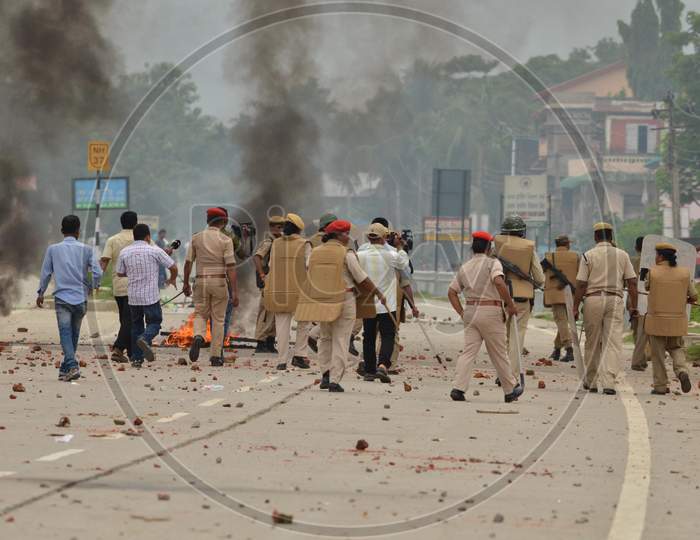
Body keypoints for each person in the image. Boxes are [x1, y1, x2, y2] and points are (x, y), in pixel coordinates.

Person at [295, 219, 386, 392]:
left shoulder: (315, 253)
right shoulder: (346, 253)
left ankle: (325, 374)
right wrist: (378, 293)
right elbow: (361, 278)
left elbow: (310, 272)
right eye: (346, 234)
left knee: (325, 338)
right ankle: (335, 380)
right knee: (341, 339)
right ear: (339, 235)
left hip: (323, 300)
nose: (348, 237)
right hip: (344, 298)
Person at [448, 231, 522, 403]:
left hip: (471, 312)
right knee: (499, 353)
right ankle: (510, 390)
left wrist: (462, 313)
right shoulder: (492, 263)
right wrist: (510, 305)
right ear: (489, 247)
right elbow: (498, 282)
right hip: (491, 311)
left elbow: (452, 292)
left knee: (468, 352)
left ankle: (458, 388)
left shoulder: (465, 267)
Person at [573, 222, 637, 395]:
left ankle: (592, 381)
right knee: (612, 342)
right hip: (615, 300)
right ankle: (609, 382)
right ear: (611, 236)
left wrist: (574, 306)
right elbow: (632, 282)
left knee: (592, 341)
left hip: (593, 299)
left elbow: (581, 284)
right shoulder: (622, 255)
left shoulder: (588, 255)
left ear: (595, 237)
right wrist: (634, 307)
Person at [37, 215, 102, 382]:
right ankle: (65, 371)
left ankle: (72, 365)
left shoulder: (53, 249)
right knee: (74, 335)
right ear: (78, 231)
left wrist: (41, 292)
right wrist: (94, 285)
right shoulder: (87, 249)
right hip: (80, 299)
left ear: (61, 231)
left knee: (66, 334)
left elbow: (46, 273)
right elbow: (97, 271)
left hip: (62, 298)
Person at [183, 207, 239, 367]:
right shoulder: (226, 240)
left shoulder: (196, 238)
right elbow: (231, 267)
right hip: (219, 281)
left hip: (201, 281)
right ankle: (215, 356)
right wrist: (234, 291)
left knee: (200, 315)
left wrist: (186, 283)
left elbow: (188, 263)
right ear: (222, 222)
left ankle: (199, 336)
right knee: (219, 320)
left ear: (208, 221)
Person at [493, 215, 545, 386]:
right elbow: (539, 278)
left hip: (499, 297)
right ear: (522, 231)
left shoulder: (496, 247)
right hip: (521, 299)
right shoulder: (530, 248)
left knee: (502, 338)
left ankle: (502, 372)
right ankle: (510, 375)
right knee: (517, 338)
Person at [117, 224, 177, 368]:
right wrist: (172, 279)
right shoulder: (155, 250)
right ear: (148, 237)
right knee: (155, 322)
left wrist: (132, 273)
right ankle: (145, 338)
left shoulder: (125, 252)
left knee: (136, 325)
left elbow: (120, 273)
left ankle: (137, 359)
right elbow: (173, 267)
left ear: (134, 236)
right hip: (150, 297)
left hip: (133, 297)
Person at [357, 222, 410, 383]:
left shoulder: (361, 254)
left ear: (368, 237)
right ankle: (383, 365)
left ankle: (369, 371)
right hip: (388, 304)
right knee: (388, 336)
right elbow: (404, 264)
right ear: (384, 238)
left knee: (369, 337)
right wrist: (400, 245)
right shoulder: (392, 254)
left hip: (367, 303)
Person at [643, 243, 696, 395]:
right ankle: (681, 371)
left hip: (656, 321)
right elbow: (694, 296)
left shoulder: (652, 272)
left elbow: (647, 287)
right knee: (676, 348)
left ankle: (660, 386)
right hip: (676, 321)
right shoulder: (684, 273)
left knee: (658, 353)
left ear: (659, 256)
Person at [264, 213, 312, 371]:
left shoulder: (276, 243)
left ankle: (281, 360)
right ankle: (299, 355)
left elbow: (270, 265)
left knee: (282, 327)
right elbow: (309, 266)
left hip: (279, 292)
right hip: (300, 291)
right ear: (299, 230)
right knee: (303, 324)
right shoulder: (305, 244)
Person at [100, 211, 138, 362]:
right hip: (135, 286)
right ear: (135, 223)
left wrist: (96, 281)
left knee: (125, 319)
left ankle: (130, 352)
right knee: (130, 320)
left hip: (118, 286)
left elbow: (104, 261)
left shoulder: (113, 240)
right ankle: (118, 348)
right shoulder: (140, 238)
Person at [542, 235, 579, 363]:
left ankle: (568, 349)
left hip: (555, 293)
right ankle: (558, 349)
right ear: (567, 244)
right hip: (571, 294)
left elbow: (544, 275)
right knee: (563, 322)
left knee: (561, 321)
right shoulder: (575, 257)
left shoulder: (549, 257)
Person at [305, 213, 339, 352]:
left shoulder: (310, 241)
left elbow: (306, 265)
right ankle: (314, 335)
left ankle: (321, 341)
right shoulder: (334, 241)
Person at [252, 215, 285, 353]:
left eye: (282, 227)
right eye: (279, 227)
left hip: (277, 282)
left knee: (275, 312)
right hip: (268, 281)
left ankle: (270, 341)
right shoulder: (269, 241)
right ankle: (261, 342)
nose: (281, 229)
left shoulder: (279, 241)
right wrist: (262, 274)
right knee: (265, 313)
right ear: (272, 227)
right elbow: (257, 257)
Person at [629, 236, 651, 371]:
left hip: (633, 299)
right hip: (647, 299)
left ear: (636, 247)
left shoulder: (631, 261)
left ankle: (640, 359)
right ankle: (640, 360)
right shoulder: (653, 262)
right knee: (644, 332)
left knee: (637, 331)